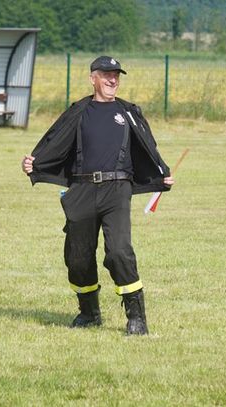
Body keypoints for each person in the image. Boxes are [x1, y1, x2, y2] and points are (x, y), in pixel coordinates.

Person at [21, 56, 174, 335]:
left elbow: (147, 145)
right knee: (77, 257)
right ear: (93, 78)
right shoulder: (79, 111)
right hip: (81, 189)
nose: (112, 79)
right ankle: (89, 312)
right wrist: (34, 162)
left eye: (116, 74)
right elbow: (55, 140)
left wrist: (160, 172)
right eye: (106, 74)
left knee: (118, 251)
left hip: (117, 189)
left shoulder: (128, 112)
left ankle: (136, 317)